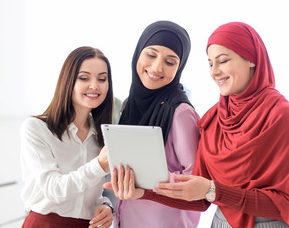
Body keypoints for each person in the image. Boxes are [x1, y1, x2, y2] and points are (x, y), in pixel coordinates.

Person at [105, 22, 289, 228]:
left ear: (252, 59)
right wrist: (143, 193)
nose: (214, 72)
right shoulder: (215, 119)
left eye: (223, 61)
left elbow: (285, 203)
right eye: (210, 64)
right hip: (220, 223)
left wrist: (214, 191)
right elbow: (200, 198)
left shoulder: (280, 115)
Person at [110, 20, 201, 228]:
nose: (156, 67)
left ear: (179, 68)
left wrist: (145, 177)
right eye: (151, 55)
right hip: (127, 219)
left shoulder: (180, 112)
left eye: (170, 62)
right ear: (138, 53)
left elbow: (195, 181)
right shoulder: (128, 105)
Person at [20, 46, 114, 228]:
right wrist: (99, 165)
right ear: (68, 81)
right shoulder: (37, 129)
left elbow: (89, 194)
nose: (95, 85)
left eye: (102, 78)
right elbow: (53, 189)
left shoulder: (102, 136)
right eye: (84, 78)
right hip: (44, 223)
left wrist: (105, 205)